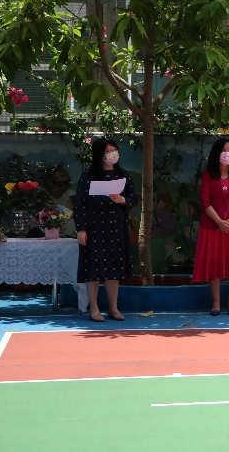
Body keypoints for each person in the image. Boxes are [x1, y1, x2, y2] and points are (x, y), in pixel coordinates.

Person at [74, 138, 138, 322]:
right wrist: (81, 229)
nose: (113, 154)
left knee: (114, 269)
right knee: (93, 268)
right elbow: (80, 204)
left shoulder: (123, 174)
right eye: (108, 151)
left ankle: (113, 308)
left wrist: (123, 200)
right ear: (99, 154)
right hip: (94, 227)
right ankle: (94, 309)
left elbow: (133, 198)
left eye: (115, 150)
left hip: (116, 227)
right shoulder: (88, 175)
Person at [192, 138, 229, 315]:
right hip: (212, 227)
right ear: (216, 153)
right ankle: (216, 303)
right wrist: (219, 221)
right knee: (214, 264)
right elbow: (205, 200)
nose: (227, 153)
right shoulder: (208, 174)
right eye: (224, 150)